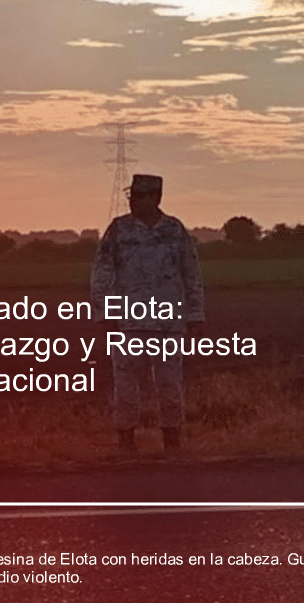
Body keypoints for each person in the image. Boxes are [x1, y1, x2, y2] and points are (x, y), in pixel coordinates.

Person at [90, 174, 204, 454]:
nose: (132, 202)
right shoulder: (119, 230)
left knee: (169, 387)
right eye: (131, 197)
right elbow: (101, 272)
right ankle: (126, 443)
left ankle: (172, 445)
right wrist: (103, 313)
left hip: (168, 324)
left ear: (154, 198)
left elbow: (191, 274)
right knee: (126, 387)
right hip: (129, 323)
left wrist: (196, 314)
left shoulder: (174, 231)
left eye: (138, 197)